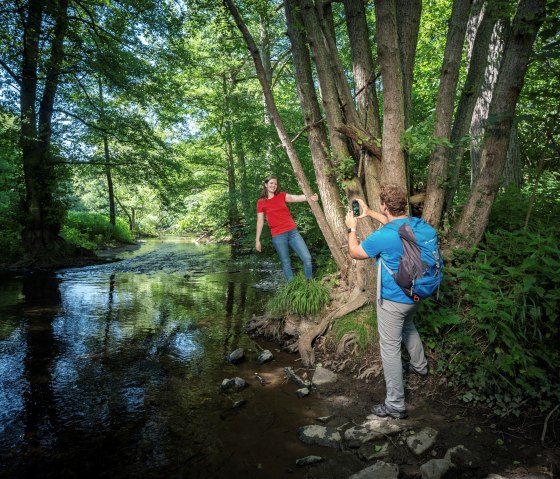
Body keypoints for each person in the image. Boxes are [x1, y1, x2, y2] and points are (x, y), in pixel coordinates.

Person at [345, 184, 429, 419]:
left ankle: (395, 405)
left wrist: (352, 229)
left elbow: (355, 252)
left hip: (394, 299)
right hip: (418, 293)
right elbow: (392, 223)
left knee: (390, 349)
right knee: (409, 326)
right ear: (404, 204)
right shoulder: (416, 224)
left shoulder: (383, 236)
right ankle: (420, 367)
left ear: (385, 205)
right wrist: (369, 213)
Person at [256, 175, 318, 280]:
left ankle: (309, 285)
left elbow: (296, 197)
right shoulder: (261, 202)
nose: (273, 185)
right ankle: (292, 288)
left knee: (307, 258)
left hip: (293, 232)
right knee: (286, 263)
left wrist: (311, 197)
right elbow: (260, 221)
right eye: (271, 183)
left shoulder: (281, 195)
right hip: (278, 236)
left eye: (275, 184)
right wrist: (257, 240)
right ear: (266, 185)